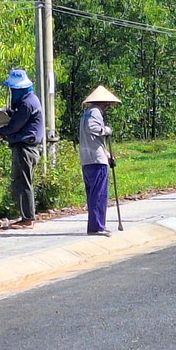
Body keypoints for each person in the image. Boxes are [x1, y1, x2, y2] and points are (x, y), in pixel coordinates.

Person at [0, 69, 44, 229]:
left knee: (24, 183)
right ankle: (26, 216)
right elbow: (15, 114)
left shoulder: (27, 103)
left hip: (26, 147)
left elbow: (14, 126)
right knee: (19, 182)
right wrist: (4, 112)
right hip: (24, 147)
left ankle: (28, 219)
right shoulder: (28, 100)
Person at [78, 85, 121, 237]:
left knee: (93, 194)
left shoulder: (86, 114)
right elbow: (93, 129)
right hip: (96, 160)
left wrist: (108, 155)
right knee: (99, 194)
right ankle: (97, 227)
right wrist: (106, 130)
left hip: (88, 158)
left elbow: (94, 141)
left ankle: (95, 225)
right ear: (105, 103)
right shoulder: (95, 113)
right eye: (108, 104)